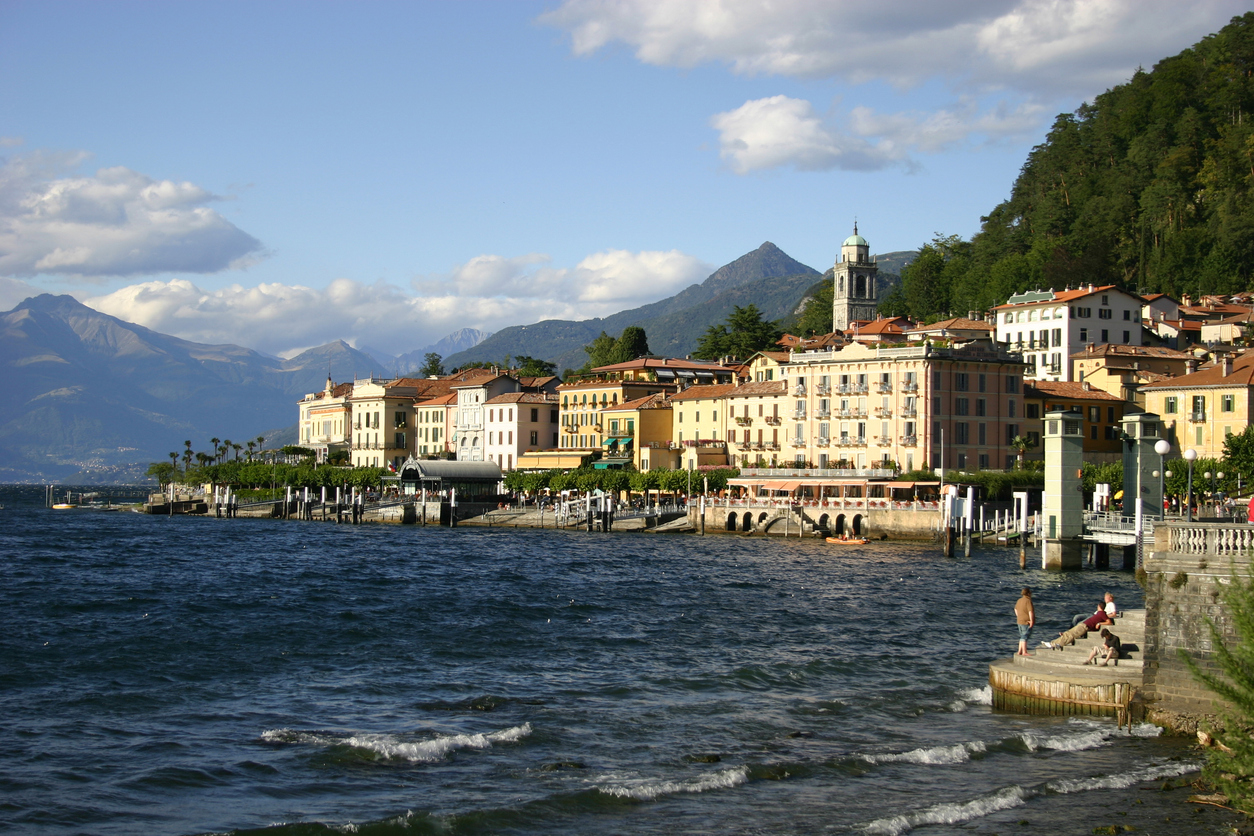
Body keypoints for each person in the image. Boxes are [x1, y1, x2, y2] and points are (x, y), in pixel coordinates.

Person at [1043, 603, 1111, 649]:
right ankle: (1053, 643)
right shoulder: (1099, 613)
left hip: (1085, 626)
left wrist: (1099, 623)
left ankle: (1059, 644)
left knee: (1071, 635)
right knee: (1068, 633)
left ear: (1099, 606)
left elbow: (1109, 622)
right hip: (1083, 624)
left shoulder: (1102, 614)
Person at [1015, 587, 1035, 656]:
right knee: (1025, 636)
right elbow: (1030, 612)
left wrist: (1019, 616)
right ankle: (1024, 652)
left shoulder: (1019, 600)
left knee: (1022, 636)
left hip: (1019, 621)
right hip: (1026, 621)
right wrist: (1032, 620)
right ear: (1028, 593)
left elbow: (1015, 609)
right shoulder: (1028, 601)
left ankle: (1019, 651)